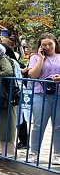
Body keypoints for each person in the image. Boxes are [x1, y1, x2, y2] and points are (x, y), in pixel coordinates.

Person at [26, 33, 60, 165]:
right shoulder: (35, 57)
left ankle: (57, 154)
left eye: (50, 44)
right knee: (38, 124)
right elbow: (33, 75)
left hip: (58, 94)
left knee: (58, 126)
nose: (47, 47)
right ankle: (34, 152)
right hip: (41, 93)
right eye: (44, 45)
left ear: (55, 43)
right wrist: (41, 58)